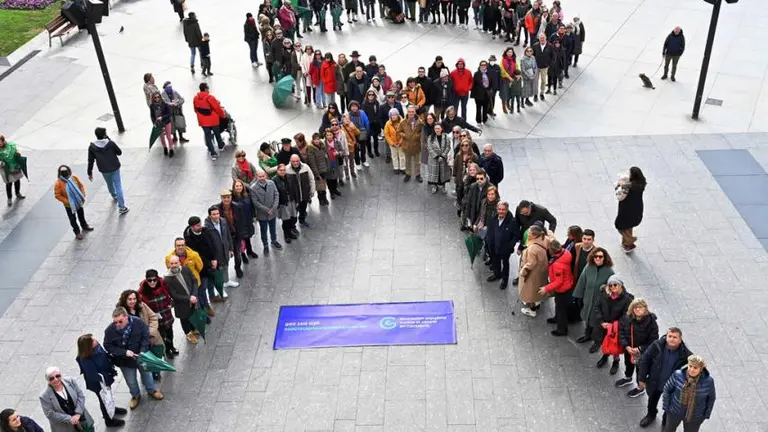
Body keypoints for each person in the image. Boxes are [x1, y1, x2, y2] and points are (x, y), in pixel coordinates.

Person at [103, 307, 164, 409]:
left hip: (141, 356)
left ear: (126, 317)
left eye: (120, 321)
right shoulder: (109, 330)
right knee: (131, 381)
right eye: (115, 322)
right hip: (125, 360)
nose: (117, 324)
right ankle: (135, 396)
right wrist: (124, 352)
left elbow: (145, 336)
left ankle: (151, 390)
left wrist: (142, 351)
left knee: (147, 375)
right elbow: (108, 345)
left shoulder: (138, 322)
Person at [636, 328, 693, 428]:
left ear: (680, 340)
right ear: (666, 337)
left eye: (675, 337)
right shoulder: (656, 345)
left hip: (672, 387)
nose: (672, 339)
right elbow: (645, 360)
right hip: (655, 381)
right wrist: (642, 378)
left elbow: (693, 370)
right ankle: (651, 415)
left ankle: (665, 422)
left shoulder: (686, 355)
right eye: (670, 336)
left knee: (669, 406)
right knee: (652, 400)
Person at [75, 334, 127, 427]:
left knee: (108, 396)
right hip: (98, 384)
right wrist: (106, 376)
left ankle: (112, 409)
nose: (95, 340)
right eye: (92, 341)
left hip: (106, 378)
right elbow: (93, 375)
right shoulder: (85, 360)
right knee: (103, 400)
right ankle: (108, 420)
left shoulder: (96, 347)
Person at [116, 289, 165, 381]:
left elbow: (153, 317)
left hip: (151, 339)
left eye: (134, 299)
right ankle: (147, 378)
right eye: (129, 299)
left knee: (156, 355)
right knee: (144, 360)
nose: (132, 301)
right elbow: (120, 328)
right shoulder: (120, 313)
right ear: (124, 300)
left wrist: (150, 332)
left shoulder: (142, 306)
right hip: (137, 344)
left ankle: (155, 372)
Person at [572, 247, 615, 345]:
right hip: (587, 299)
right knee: (588, 318)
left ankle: (597, 339)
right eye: (595, 256)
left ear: (605, 258)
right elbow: (582, 281)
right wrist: (578, 296)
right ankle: (587, 335)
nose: (598, 258)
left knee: (597, 321)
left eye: (600, 256)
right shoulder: (589, 267)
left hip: (599, 302)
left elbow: (613, 288)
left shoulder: (609, 272)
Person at [593, 275, 634, 374]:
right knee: (605, 342)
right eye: (610, 285)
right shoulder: (604, 294)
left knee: (616, 345)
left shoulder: (628, 299)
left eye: (615, 285)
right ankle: (605, 355)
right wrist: (602, 322)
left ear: (620, 285)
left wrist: (614, 326)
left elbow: (626, 315)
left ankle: (616, 360)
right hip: (604, 325)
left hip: (617, 328)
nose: (612, 287)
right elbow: (597, 307)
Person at [662, 355, 716, 432]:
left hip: (695, 416)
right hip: (674, 411)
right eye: (690, 366)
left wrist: (705, 415)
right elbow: (667, 389)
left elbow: (711, 398)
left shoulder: (708, 381)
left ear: (701, 369)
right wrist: (667, 407)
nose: (691, 369)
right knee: (669, 430)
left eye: (695, 367)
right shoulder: (677, 375)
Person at [616, 298, 659, 388]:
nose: (638, 309)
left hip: (643, 352)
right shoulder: (626, 318)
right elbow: (621, 332)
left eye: (640, 307)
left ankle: (640, 387)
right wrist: (627, 346)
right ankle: (628, 377)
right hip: (629, 349)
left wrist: (640, 348)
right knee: (628, 363)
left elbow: (654, 340)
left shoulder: (651, 322)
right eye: (635, 307)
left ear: (645, 308)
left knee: (641, 370)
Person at [39, 367, 95, 432]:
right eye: (51, 378)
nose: (56, 379)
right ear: (47, 380)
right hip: (65, 428)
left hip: (82, 420)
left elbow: (81, 396)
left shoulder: (70, 381)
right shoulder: (44, 396)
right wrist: (70, 419)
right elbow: (50, 414)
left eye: (58, 376)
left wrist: (78, 413)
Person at [138, 270, 178, 359]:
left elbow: (171, 296)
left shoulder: (163, 284)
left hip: (166, 315)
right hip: (155, 319)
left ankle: (171, 346)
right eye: (149, 280)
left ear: (157, 278)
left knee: (170, 333)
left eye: (154, 280)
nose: (152, 282)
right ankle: (167, 350)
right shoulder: (143, 291)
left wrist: (171, 304)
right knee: (161, 336)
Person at [538, 239, 573, 336]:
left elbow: (558, 281)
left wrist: (546, 288)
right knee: (558, 305)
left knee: (561, 309)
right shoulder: (565, 252)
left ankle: (562, 329)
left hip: (562, 289)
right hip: (567, 284)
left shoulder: (558, 264)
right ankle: (556, 318)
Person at [165, 255, 201, 344]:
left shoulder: (186, 269)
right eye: (172, 263)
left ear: (179, 263)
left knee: (192, 314)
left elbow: (194, 281)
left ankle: (193, 329)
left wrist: (194, 295)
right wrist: (189, 298)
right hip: (181, 304)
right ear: (169, 264)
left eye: (176, 263)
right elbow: (174, 295)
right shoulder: (167, 278)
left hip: (192, 298)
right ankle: (188, 334)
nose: (174, 265)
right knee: (184, 319)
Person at [204, 205, 239, 298]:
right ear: (209, 215)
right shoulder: (207, 228)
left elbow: (228, 235)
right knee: (218, 271)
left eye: (217, 213)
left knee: (226, 265)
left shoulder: (223, 221)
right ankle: (219, 289)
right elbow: (208, 244)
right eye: (214, 214)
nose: (216, 216)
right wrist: (212, 257)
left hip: (225, 249)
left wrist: (231, 249)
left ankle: (226, 281)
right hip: (216, 253)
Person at [486, 201, 520, 290]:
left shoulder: (512, 222)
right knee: (495, 262)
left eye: (503, 210)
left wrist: (510, 246)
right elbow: (490, 231)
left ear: (507, 210)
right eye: (499, 209)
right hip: (494, 247)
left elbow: (516, 236)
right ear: (497, 209)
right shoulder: (493, 219)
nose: (501, 211)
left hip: (505, 249)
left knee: (505, 264)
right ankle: (497, 274)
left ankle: (505, 280)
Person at [54, 165, 92, 240]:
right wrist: (67, 201)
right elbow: (57, 195)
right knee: (72, 219)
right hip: (69, 205)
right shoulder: (58, 183)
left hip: (78, 201)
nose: (64, 173)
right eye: (62, 172)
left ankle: (84, 225)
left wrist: (82, 194)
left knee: (81, 214)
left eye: (65, 171)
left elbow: (81, 186)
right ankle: (77, 232)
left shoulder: (74, 178)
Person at [518, 224, 548, 316]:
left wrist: (523, 271)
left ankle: (532, 309)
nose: (528, 233)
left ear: (534, 235)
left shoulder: (532, 248)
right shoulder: (544, 239)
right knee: (537, 288)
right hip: (540, 271)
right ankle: (536, 301)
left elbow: (531, 263)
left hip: (532, 274)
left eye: (529, 232)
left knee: (531, 290)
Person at [250, 170, 282, 255]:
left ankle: (274, 241)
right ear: (256, 176)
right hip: (262, 213)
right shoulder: (253, 188)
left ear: (266, 176)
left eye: (263, 176)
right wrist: (268, 210)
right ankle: (265, 245)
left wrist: (274, 207)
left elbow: (276, 194)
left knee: (273, 228)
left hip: (273, 211)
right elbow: (256, 203)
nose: (261, 178)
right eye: (260, 176)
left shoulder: (271, 183)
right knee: (263, 230)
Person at [217, 190, 248, 278]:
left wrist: (241, 233)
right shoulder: (217, 208)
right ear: (221, 198)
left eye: (228, 197)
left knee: (237, 253)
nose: (226, 199)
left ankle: (237, 267)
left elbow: (242, 220)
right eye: (224, 197)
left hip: (235, 234)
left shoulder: (237, 206)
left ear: (231, 197)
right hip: (224, 236)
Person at [615, 166, 646, 252]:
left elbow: (619, 195)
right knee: (629, 226)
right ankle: (626, 244)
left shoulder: (627, 186)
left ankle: (630, 240)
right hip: (637, 207)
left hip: (626, 208)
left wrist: (619, 184)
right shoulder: (642, 183)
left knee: (619, 226)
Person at [193, 82, 226, 160]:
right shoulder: (210, 97)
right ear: (205, 89)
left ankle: (213, 153)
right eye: (208, 88)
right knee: (217, 133)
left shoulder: (195, 98)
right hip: (213, 120)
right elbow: (217, 108)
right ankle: (220, 146)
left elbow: (195, 109)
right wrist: (223, 115)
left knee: (207, 136)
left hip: (203, 121)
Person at [232, 179, 259, 261]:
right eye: (237, 186)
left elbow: (252, 206)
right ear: (234, 187)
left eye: (240, 186)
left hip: (247, 219)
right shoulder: (232, 198)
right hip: (239, 221)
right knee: (241, 239)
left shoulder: (247, 195)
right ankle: (243, 254)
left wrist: (254, 216)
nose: (239, 187)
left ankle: (250, 251)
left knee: (248, 237)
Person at [286, 154, 315, 228]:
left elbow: (311, 179)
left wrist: (312, 190)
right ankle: (293, 225)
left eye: (297, 161)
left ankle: (302, 220)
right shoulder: (287, 169)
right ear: (290, 161)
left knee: (303, 208)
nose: (295, 163)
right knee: (293, 211)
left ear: (299, 160)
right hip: (293, 195)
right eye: (293, 161)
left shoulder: (305, 167)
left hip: (304, 193)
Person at [398, 105, 423, 183]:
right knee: (407, 161)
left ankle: (417, 174)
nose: (411, 113)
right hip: (407, 145)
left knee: (417, 162)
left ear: (415, 112)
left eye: (412, 112)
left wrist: (417, 136)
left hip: (416, 145)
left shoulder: (419, 122)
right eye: (409, 112)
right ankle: (408, 174)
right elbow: (399, 131)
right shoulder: (403, 122)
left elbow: (422, 132)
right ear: (407, 112)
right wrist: (405, 135)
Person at [305, 133, 331, 205]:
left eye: (318, 139)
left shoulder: (322, 146)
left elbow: (327, 157)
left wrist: (328, 166)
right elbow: (312, 162)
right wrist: (316, 173)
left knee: (324, 185)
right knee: (319, 186)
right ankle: (321, 199)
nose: (317, 141)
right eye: (315, 139)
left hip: (324, 169)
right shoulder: (310, 149)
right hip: (317, 171)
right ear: (313, 140)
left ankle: (325, 197)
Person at [0, 135, 25, 207]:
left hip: (15, 166)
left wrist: (18, 153)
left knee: (17, 180)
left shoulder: (11, 146)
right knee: (8, 183)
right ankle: (9, 198)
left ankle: (18, 193)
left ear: (3, 141)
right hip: (6, 168)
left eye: (0, 142)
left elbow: (16, 151)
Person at [426, 123, 451, 193]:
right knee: (434, 173)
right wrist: (437, 156)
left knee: (442, 174)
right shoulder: (430, 137)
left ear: (441, 129)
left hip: (443, 159)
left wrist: (443, 156)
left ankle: (443, 187)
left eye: (438, 128)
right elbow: (429, 147)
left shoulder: (446, 137)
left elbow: (448, 147)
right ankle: (434, 186)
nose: (437, 130)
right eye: (435, 129)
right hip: (433, 159)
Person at [150, 92, 175, 157]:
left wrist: (162, 117)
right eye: (155, 97)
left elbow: (169, 114)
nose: (157, 98)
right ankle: (165, 148)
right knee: (162, 137)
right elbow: (152, 116)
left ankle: (171, 149)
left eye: (158, 97)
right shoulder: (152, 106)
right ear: (153, 98)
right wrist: (154, 123)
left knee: (168, 136)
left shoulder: (165, 104)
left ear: (160, 97)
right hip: (158, 124)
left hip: (166, 122)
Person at [470, 60, 494, 125]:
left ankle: (484, 119)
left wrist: (491, 91)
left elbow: (491, 83)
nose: (483, 66)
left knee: (485, 108)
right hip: (478, 94)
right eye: (482, 65)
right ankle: (478, 120)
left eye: (484, 65)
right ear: (480, 66)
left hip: (486, 94)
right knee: (478, 108)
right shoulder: (476, 74)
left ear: (486, 66)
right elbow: (473, 85)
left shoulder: (490, 73)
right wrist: (473, 95)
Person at [384, 108, 405, 174]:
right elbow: (386, 135)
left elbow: (405, 133)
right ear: (390, 116)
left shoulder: (403, 122)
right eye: (392, 115)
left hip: (401, 143)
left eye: (395, 114)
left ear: (398, 115)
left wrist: (400, 142)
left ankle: (403, 168)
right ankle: (396, 168)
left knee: (402, 156)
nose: (393, 116)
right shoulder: (387, 124)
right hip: (392, 144)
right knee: (394, 156)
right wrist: (392, 143)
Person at [362, 90, 382, 158]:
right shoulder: (364, 103)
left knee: (375, 138)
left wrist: (377, 120)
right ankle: (369, 152)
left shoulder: (376, 102)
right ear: (367, 96)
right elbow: (364, 115)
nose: (371, 96)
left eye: (372, 95)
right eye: (369, 95)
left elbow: (378, 112)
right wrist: (368, 122)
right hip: (368, 124)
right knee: (368, 139)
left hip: (376, 123)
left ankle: (376, 150)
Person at [532, 33, 552, 101]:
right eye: (541, 38)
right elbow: (532, 55)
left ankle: (542, 93)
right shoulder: (535, 45)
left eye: (543, 37)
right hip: (536, 66)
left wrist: (549, 64)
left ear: (546, 38)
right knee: (535, 81)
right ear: (539, 38)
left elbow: (553, 56)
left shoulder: (550, 46)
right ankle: (535, 94)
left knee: (543, 80)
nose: (542, 39)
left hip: (545, 67)